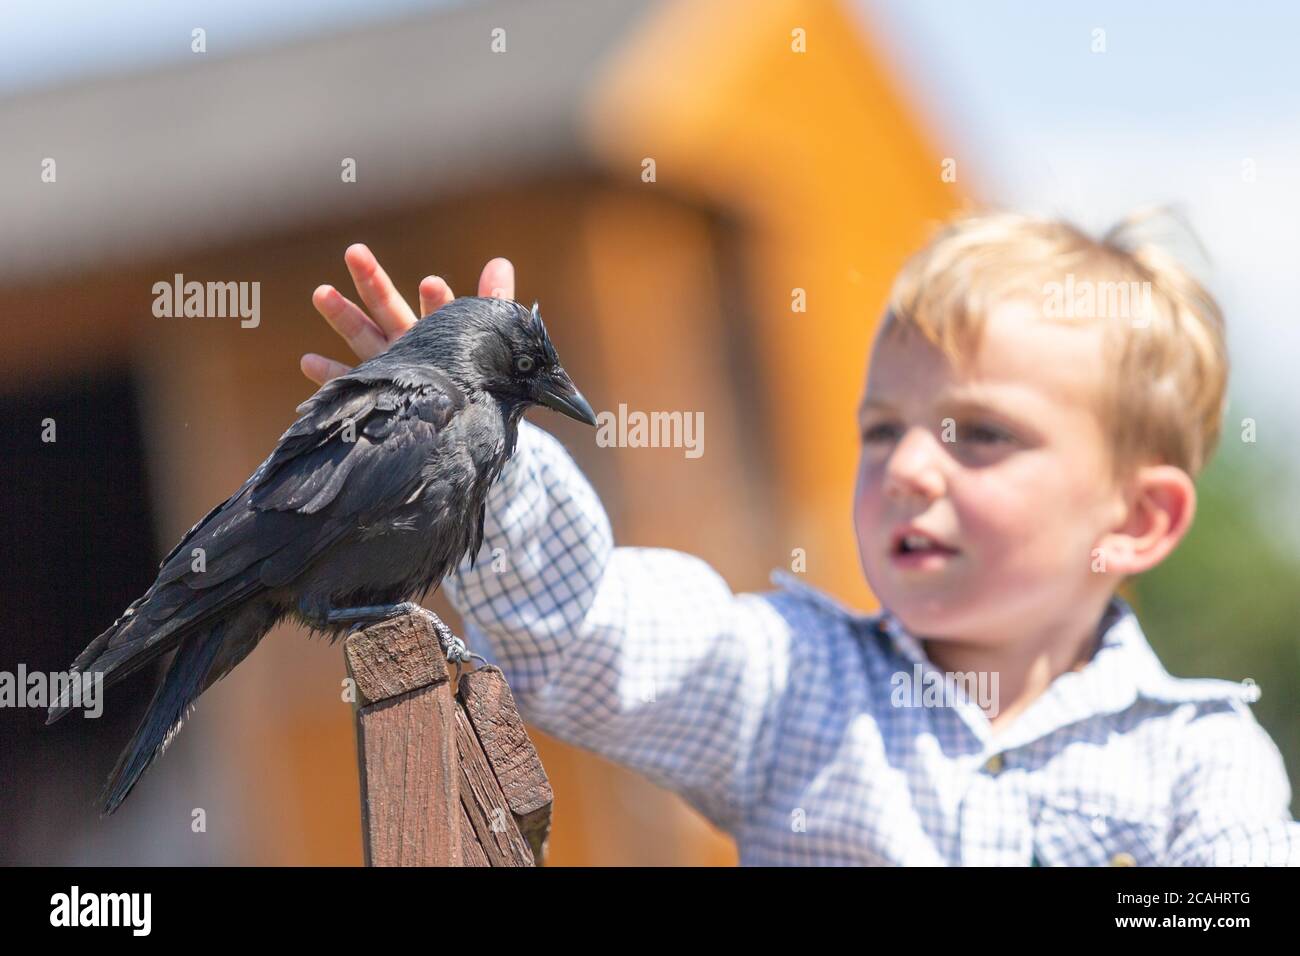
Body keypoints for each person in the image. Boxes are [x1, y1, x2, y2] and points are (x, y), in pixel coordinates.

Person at [300, 214, 1299, 865]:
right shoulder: (792, 683)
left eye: (978, 434)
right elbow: (584, 636)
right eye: (882, 430)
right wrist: (481, 438)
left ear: (1135, 520)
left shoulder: (1198, 760)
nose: (908, 466)